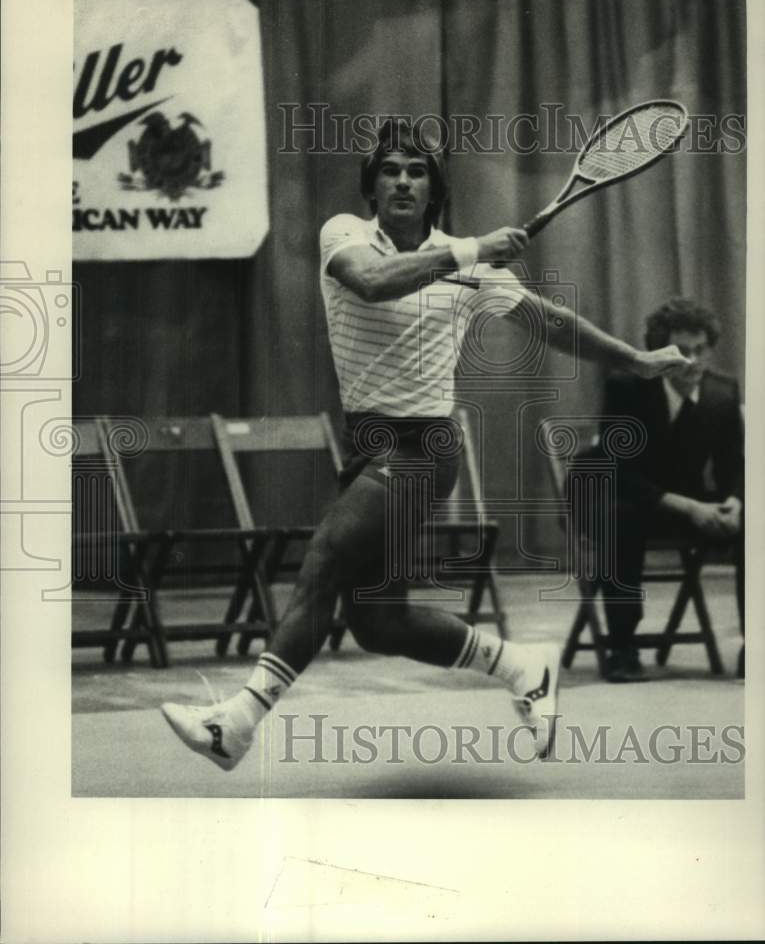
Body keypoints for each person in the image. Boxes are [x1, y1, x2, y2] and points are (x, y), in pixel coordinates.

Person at [161, 119, 691, 770]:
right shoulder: (345, 235)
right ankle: (521, 665)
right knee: (378, 622)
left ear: (433, 188)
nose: (403, 180)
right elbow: (373, 282)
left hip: (423, 452)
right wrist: (469, 251)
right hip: (369, 446)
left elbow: (551, 322)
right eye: (390, 169)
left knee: (323, 558)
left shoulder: (477, 271)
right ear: (372, 187)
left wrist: (633, 360)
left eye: (416, 171)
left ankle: (235, 725)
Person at [592, 298, 744, 682]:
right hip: (614, 495)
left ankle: (753, 644)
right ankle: (622, 646)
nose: (691, 361)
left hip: (683, 501)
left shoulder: (722, 393)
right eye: (681, 352)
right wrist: (692, 509)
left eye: (700, 350)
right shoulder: (626, 387)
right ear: (660, 353)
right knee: (619, 519)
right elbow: (618, 471)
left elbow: (735, 466)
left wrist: (736, 502)